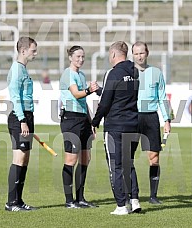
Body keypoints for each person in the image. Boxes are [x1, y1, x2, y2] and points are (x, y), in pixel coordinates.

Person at [92, 41, 141, 215]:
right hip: (134, 124)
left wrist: (95, 121)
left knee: (116, 166)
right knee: (129, 163)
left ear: (113, 54)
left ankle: (121, 205)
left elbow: (106, 102)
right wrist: (101, 91)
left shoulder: (112, 73)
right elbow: (121, 94)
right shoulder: (134, 72)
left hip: (116, 126)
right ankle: (134, 200)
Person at [132, 41, 171, 205]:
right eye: (136, 53)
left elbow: (162, 97)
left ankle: (153, 195)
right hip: (131, 117)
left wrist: (167, 119)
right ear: (132, 55)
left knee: (154, 157)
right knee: (127, 157)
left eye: (142, 53)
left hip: (151, 118)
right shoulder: (128, 72)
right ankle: (131, 194)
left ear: (147, 53)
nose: (139, 56)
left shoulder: (156, 72)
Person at [59, 45, 99, 209]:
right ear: (70, 58)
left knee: (85, 158)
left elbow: (83, 101)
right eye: (77, 57)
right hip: (71, 119)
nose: (81, 60)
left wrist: (92, 122)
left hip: (83, 119)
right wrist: (90, 89)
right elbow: (76, 94)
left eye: (83, 57)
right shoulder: (68, 75)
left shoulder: (81, 75)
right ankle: (69, 200)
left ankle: (80, 198)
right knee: (71, 159)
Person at [5, 37, 38, 212]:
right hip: (20, 118)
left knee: (24, 160)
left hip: (27, 117)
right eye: (33, 50)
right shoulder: (17, 70)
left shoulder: (23, 69)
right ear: (23, 50)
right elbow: (15, 97)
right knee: (18, 159)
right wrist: (22, 120)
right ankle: (11, 202)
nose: (35, 53)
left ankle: (19, 200)